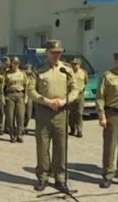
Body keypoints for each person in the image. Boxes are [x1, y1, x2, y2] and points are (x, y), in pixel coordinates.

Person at [28, 40, 79, 192]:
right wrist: (47, 101)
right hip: (44, 112)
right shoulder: (39, 70)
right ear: (47, 53)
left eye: (59, 52)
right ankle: (43, 177)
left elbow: (75, 89)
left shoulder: (67, 70)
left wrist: (65, 100)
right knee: (43, 146)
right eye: (54, 52)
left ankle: (60, 178)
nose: (57, 55)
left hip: (62, 113)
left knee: (60, 146)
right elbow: (31, 91)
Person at [96, 52, 118, 188]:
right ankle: (108, 174)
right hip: (112, 114)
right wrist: (101, 116)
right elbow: (100, 97)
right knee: (110, 145)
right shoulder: (107, 76)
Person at [3, 57, 28, 143]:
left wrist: (26, 97)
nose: (16, 64)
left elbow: (27, 86)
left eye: (17, 63)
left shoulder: (22, 74)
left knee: (20, 116)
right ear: (11, 63)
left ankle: (19, 135)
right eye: (14, 62)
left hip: (20, 95)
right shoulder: (7, 74)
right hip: (10, 95)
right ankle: (12, 135)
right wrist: (3, 97)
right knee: (10, 116)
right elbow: (2, 87)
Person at [69, 58, 88, 138]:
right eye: (73, 64)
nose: (74, 65)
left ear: (79, 65)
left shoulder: (83, 72)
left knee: (79, 113)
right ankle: (72, 129)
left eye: (75, 64)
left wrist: (82, 89)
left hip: (80, 95)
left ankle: (79, 130)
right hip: (70, 95)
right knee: (70, 114)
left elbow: (86, 82)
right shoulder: (69, 72)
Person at [0, 56, 11, 135]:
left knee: (8, 111)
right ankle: (0, 127)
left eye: (8, 63)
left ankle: (7, 127)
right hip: (0, 93)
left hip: (8, 93)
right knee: (1, 111)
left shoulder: (9, 71)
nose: (8, 65)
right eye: (6, 63)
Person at [24, 64, 34, 134]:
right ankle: (21, 127)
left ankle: (25, 125)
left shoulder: (33, 78)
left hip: (30, 97)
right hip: (22, 95)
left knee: (28, 113)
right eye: (27, 69)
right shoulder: (22, 76)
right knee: (21, 113)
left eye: (29, 69)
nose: (28, 71)